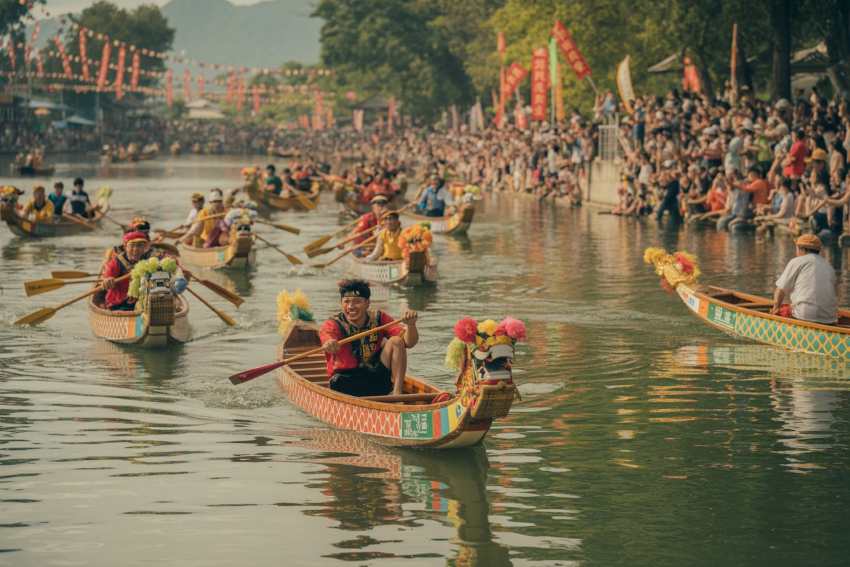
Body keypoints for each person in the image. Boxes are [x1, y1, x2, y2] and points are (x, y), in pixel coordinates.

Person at [320, 279, 418, 396]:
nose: (351, 306)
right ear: (341, 303)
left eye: (357, 301)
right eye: (346, 301)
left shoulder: (379, 318)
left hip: (375, 379)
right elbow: (327, 338)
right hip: (345, 382)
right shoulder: (332, 324)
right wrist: (330, 344)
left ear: (367, 303)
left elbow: (409, 343)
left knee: (396, 341)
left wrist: (411, 325)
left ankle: (397, 394)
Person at [771, 234, 837, 324]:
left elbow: (781, 290)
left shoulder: (797, 261)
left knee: (781, 310)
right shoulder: (829, 266)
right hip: (830, 317)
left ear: (801, 248)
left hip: (805, 315)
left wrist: (776, 309)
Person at [100, 231, 156, 311]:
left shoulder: (148, 261)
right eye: (132, 246)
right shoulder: (115, 263)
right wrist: (108, 281)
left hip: (142, 301)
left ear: (144, 248)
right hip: (119, 303)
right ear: (125, 247)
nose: (136, 249)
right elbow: (107, 277)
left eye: (140, 246)